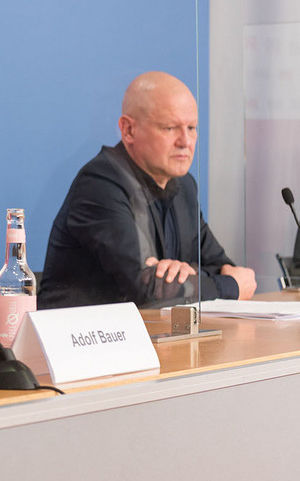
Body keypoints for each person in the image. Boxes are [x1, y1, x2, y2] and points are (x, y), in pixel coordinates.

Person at [39, 71, 257, 309]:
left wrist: (188, 273)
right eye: (171, 128)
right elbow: (148, 290)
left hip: (153, 338)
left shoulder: (184, 187)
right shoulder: (101, 184)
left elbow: (223, 266)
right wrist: (229, 287)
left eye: (192, 127)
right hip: (83, 340)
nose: (186, 141)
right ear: (128, 130)